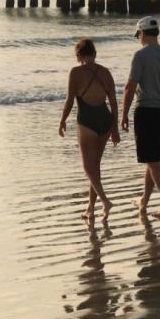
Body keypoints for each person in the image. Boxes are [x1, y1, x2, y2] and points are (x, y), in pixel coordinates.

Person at [121, 16, 160, 219]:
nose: (139, 37)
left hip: (147, 111)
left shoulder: (140, 56)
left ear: (142, 33)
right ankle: (144, 200)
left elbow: (130, 87)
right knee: (153, 158)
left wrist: (123, 114)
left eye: (138, 34)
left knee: (152, 160)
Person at [59, 38, 120, 223]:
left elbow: (70, 100)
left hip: (86, 120)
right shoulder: (106, 72)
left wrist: (62, 120)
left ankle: (105, 201)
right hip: (105, 119)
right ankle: (90, 209)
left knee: (88, 167)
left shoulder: (76, 72)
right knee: (95, 168)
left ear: (78, 55)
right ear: (94, 53)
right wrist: (115, 127)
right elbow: (114, 102)